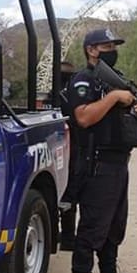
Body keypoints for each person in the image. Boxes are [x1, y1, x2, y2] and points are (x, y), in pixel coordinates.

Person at [67, 28, 137, 273]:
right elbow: (83, 117)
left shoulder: (116, 79)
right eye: (106, 46)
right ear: (91, 50)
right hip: (96, 165)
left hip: (118, 163)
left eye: (114, 46)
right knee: (91, 231)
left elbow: (121, 120)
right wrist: (115, 97)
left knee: (114, 227)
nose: (112, 50)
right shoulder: (84, 80)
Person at [58, 60, 78, 251]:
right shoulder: (72, 95)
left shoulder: (52, 96)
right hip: (72, 147)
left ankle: (65, 236)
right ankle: (68, 237)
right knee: (69, 193)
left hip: (55, 146)